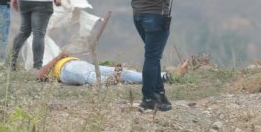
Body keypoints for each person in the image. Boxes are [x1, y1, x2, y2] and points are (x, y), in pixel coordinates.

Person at [130, 0, 186, 112]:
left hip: (138, 16)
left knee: (152, 55)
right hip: (155, 17)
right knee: (152, 58)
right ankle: (148, 98)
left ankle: (159, 94)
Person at [37, 48, 188, 86]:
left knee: (124, 72)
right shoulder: (55, 64)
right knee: (88, 77)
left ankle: (166, 76)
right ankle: (108, 80)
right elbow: (40, 76)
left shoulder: (68, 58)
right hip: (67, 69)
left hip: (85, 64)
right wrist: (58, 57)